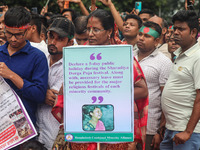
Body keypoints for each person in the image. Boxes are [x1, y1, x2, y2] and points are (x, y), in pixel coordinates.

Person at [52, 9, 148, 150]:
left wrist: (112, 93)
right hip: (82, 129)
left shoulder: (121, 56)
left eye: (96, 30)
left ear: (109, 31)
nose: (90, 34)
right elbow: (68, 88)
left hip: (116, 129)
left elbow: (143, 90)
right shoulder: (79, 55)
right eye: (89, 29)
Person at [0, 6, 48, 149]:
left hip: (22, 133)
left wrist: (12, 76)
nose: (13, 39)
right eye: (9, 34)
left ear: (28, 30)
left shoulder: (37, 57)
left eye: (19, 34)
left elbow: (40, 95)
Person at [160, 10, 200, 150]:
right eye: (175, 28)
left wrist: (188, 132)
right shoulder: (179, 53)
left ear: (193, 32)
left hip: (188, 132)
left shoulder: (198, 56)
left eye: (181, 29)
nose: (175, 32)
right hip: (172, 128)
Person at [36, 18, 74, 150]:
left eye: (59, 39)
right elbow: (46, 96)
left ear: (70, 43)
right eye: (51, 36)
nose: (52, 42)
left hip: (55, 134)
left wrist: (38, 92)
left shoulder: (73, 66)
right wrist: (42, 94)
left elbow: (54, 99)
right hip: (36, 132)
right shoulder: (40, 57)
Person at [134, 21, 172, 150]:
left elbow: (166, 98)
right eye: (140, 34)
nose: (141, 38)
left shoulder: (164, 62)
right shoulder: (128, 56)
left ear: (156, 41)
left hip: (149, 126)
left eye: (147, 36)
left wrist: (159, 131)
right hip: (127, 124)